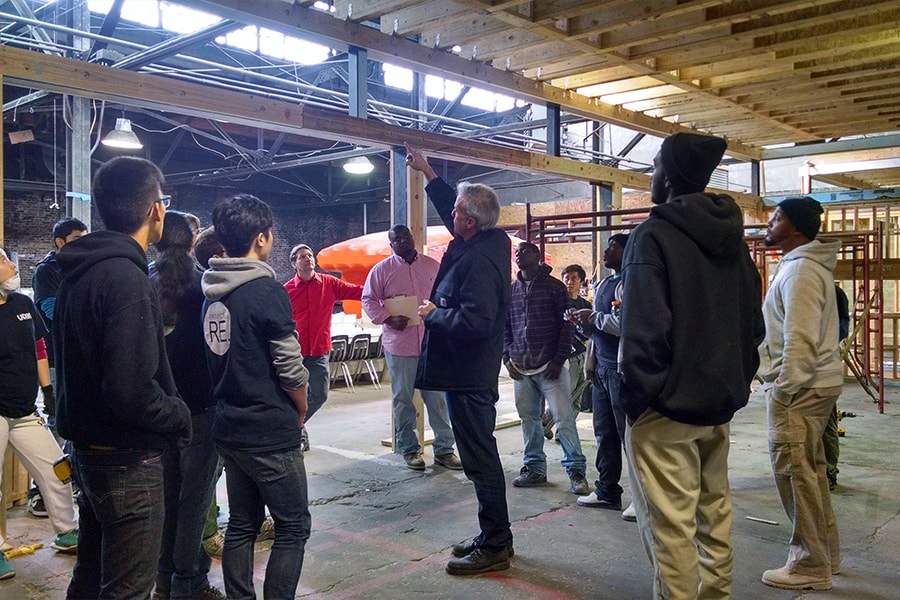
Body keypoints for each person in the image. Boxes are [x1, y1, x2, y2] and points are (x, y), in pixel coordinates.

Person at [619, 133, 764, 599]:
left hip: (666, 413)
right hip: (717, 406)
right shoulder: (733, 241)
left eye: (656, 165)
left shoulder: (652, 236)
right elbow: (753, 325)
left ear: (670, 175)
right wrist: (733, 382)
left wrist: (640, 401)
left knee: (670, 532)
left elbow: (643, 331)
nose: (652, 174)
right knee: (714, 517)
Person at [54, 156, 192, 599]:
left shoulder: (79, 271)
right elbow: (131, 390)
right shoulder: (126, 279)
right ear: (156, 209)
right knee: (128, 589)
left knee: (91, 580)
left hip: (90, 453)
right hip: (128, 462)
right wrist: (178, 414)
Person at [406, 144, 513, 576]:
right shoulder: (485, 238)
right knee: (477, 458)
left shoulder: (481, 260)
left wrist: (435, 315)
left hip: (470, 376)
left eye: (456, 213)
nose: (450, 216)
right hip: (466, 374)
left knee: (480, 460)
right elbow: (455, 204)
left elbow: (476, 320)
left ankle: (497, 543)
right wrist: (429, 173)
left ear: (469, 221)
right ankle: (492, 535)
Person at [202, 194, 311, 599]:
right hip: (268, 430)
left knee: (243, 524)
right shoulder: (266, 290)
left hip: (229, 426)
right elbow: (289, 365)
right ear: (263, 238)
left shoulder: (211, 293)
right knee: (293, 526)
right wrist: (300, 405)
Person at [760, 196, 843, 591]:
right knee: (810, 472)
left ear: (794, 228)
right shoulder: (799, 267)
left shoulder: (800, 273)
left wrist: (782, 389)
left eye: (775, 219)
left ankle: (810, 565)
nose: (768, 225)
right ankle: (827, 554)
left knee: (795, 474)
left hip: (801, 388)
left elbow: (800, 338)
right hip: (813, 384)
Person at [150, 212, 223, 600]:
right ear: (193, 241)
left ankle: (164, 581)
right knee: (194, 503)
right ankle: (187, 583)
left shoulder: (145, 282)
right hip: (200, 408)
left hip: (159, 410)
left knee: (167, 501)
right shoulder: (206, 285)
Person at [0, 247, 79, 581]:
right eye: (2, 260)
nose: (9, 265)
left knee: (56, 468)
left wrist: (48, 393)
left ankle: (67, 530)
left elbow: (39, 348)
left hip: (23, 408)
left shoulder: (22, 304)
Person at [361, 224, 462, 471]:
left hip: (432, 342)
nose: (404, 241)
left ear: (413, 238)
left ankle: (444, 450)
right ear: (391, 244)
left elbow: (445, 296)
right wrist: (387, 318)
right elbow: (368, 299)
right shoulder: (381, 271)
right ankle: (410, 449)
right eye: (398, 239)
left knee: (437, 400)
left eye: (407, 237)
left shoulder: (431, 265)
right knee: (403, 399)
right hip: (400, 345)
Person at [504, 242, 587, 495]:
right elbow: (505, 326)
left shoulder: (555, 287)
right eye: (517, 253)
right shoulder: (512, 290)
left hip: (551, 367)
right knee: (529, 419)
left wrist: (558, 359)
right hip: (521, 367)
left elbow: (568, 325)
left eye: (525, 252)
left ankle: (576, 471)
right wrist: (507, 358)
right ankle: (535, 469)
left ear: (538, 257)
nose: (519, 255)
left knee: (563, 419)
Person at [567, 234, 635, 521]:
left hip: (622, 372)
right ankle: (607, 490)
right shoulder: (606, 283)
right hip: (602, 369)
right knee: (604, 432)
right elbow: (598, 328)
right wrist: (582, 322)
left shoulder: (631, 283)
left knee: (630, 437)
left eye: (612, 246)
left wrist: (592, 318)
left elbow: (626, 325)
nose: (605, 251)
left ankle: (643, 499)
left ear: (627, 250)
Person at [27, 217, 87, 517]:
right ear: (60, 241)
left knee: (76, 422)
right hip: (55, 358)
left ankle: (70, 483)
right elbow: (52, 311)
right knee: (58, 423)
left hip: (79, 356)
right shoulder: (47, 270)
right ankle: (40, 493)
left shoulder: (81, 266)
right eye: (75, 238)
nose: (82, 242)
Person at [284, 243, 362, 450]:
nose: (308, 258)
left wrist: (383, 288)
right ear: (294, 263)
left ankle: (293, 427)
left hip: (319, 350)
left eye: (310, 255)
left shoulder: (329, 283)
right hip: (294, 353)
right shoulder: (286, 291)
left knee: (320, 394)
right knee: (292, 397)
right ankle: (299, 434)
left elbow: (358, 292)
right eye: (302, 256)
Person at [560, 264, 592, 415]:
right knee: (566, 395)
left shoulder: (585, 305)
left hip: (582, 355)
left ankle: (565, 431)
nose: (570, 282)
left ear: (581, 281)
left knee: (577, 396)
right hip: (566, 356)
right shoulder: (558, 303)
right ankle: (551, 423)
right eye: (567, 278)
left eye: (574, 278)